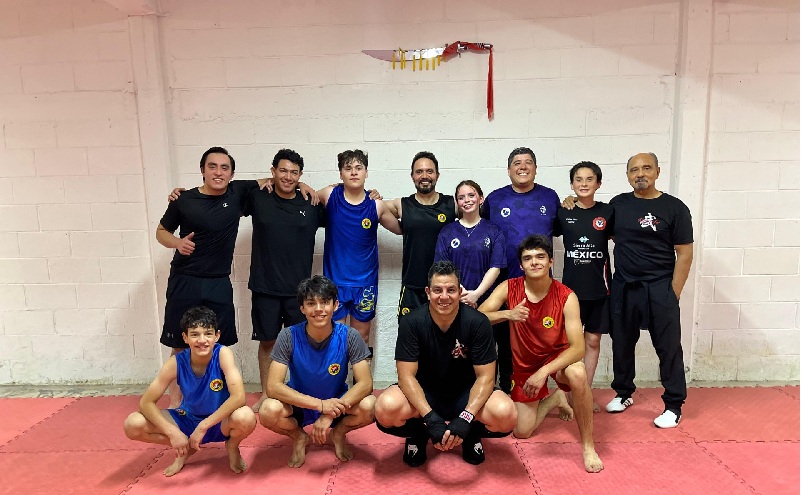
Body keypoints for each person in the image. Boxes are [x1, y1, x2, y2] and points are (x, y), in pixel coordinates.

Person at [479, 235, 604, 473]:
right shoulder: (509, 287)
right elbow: (478, 318)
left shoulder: (567, 296)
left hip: (557, 360)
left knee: (578, 374)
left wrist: (544, 372)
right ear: (521, 264)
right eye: (528, 258)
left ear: (550, 262)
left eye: (540, 257)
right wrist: (507, 315)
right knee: (522, 432)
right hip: (525, 363)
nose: (534, 262)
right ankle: (555, 400)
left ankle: (588, 446)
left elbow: (578, 348)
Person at [374, 261, 517, 467]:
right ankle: (419, 435)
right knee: (385, 408)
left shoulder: (478, 322)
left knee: (506, 414)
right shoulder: (411, 322)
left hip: (466, 394)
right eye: (437, 290)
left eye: (451, 290)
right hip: (425, 395)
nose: (444, 297)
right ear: (427, 292)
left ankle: (468, 435)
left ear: (459, 292)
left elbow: (486, 377)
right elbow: (406, 377)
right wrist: (431, 419)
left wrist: (466, 418)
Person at [157, 146, 262, 407]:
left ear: (232, 173)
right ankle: (176, 401)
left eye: (224, 168)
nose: (218, 172)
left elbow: (275, 180)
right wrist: (177, 243)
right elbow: (161, 231)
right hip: (185, 278)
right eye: (212, 166)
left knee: (220, 342)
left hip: (218, 281)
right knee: (179, 342)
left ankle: (221, 397)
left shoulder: (238, 193)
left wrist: (304, 184)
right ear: (202, 170)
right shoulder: (183, 200)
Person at [601, 153, 693, 428]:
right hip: (625, 285)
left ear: (657, 171)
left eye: (646, 168)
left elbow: (685, 254)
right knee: (622, 342)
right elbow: (605, 229)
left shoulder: (674, 208)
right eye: (634, 170)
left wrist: (672, 293)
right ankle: (624, 392)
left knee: (668, 347)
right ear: (627, 175)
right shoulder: (618, 205)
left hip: (660, 286)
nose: (640, 174)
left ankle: (674, 404)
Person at [123, 306, 256, 477]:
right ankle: (184, 446)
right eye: (195, 334)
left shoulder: (223, 354)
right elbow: (146, 402)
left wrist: (203, 426)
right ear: (185, 338)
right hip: (188, 419)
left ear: (217, 335)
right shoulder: (176, 362)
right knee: (133, 424)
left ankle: (232, 446)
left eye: (208, 333)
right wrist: (173, 433)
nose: (202, 340)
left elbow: (239, 398)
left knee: (245, 416)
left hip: (220, 421)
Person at [258, 275, 375, 468]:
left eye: (325, 302)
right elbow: (273, 386)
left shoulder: (349, 336)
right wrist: (320, 405)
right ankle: (299, 437)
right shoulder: (288, 336)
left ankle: (338, 433)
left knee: (371, 405)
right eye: (311, 303)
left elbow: (365, 383)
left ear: (335, 305)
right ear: (302, 308)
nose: (318, 309)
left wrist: (329, 413)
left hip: (337, 403)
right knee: (268, 411)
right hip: (300, 404)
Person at [245, 149, 326, 412]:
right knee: (268, 342)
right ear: (273, 171)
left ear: (301, 175)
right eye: (283, 171)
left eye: (294, 173)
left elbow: (344, 201)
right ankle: (267, 394)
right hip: (265, 286)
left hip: (300, 292)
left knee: (301, 346)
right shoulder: (259, 198)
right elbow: (228, 187)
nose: (288, 177)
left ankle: (300, 393)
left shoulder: (310, 203)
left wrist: (373, 196)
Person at [483, 147, 560, 393]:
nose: (522, 167)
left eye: (528, 162)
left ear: (536, 169)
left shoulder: (550, 197)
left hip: (540, 283)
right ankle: (504, 389)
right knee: (505, 339)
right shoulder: (494, 199)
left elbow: (561, 227)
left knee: (541, 337)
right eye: (517, 163)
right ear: (508, 170)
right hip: (505, 281)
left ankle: (538, 388)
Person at [316, 150, 401, 357]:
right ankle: (335, 387)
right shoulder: (329, 195)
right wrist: (300, 184)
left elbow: (402, 229)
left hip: (365, 285)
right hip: (335, 284)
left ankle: (361, 387)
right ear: (340, 173)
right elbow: (304, 196)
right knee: (333, 340)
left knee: (360, 339)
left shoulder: (376, 205)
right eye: (348, 168)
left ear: (366, 173)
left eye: (358, 168)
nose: (353, 173)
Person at [553, 162, 614, 412]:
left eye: (590, 179)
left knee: (592, 341)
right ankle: (568, 395)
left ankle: (585, 394)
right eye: (578, 179)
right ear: (571, 184)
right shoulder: (563, 212)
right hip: (571, 293)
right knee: (569, 345)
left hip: (600, 290)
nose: (584, 184)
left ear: (598, 184)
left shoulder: (609, 212)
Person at [384, 152, 456, 317]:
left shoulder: (451, 204)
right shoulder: (402, 205)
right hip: (412, 286)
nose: (424, 176)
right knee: (409, 338)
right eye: (419, 172)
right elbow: (369, 207)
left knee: (444, 340)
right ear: (412, 176)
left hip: (444, 288)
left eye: (429, 171)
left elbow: (476, 213)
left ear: (437, 175)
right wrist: (370, 193)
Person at [434, 180, 506, 308]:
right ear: (457, 203)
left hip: (487, 300)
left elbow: (496, 267)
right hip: (456, 299)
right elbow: (443, 268)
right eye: (461, 198)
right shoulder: (447, 232)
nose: (467, 200)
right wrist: (463, 294)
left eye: (471, 195)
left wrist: (476, 294)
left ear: (481, 199)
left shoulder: (494, 230)